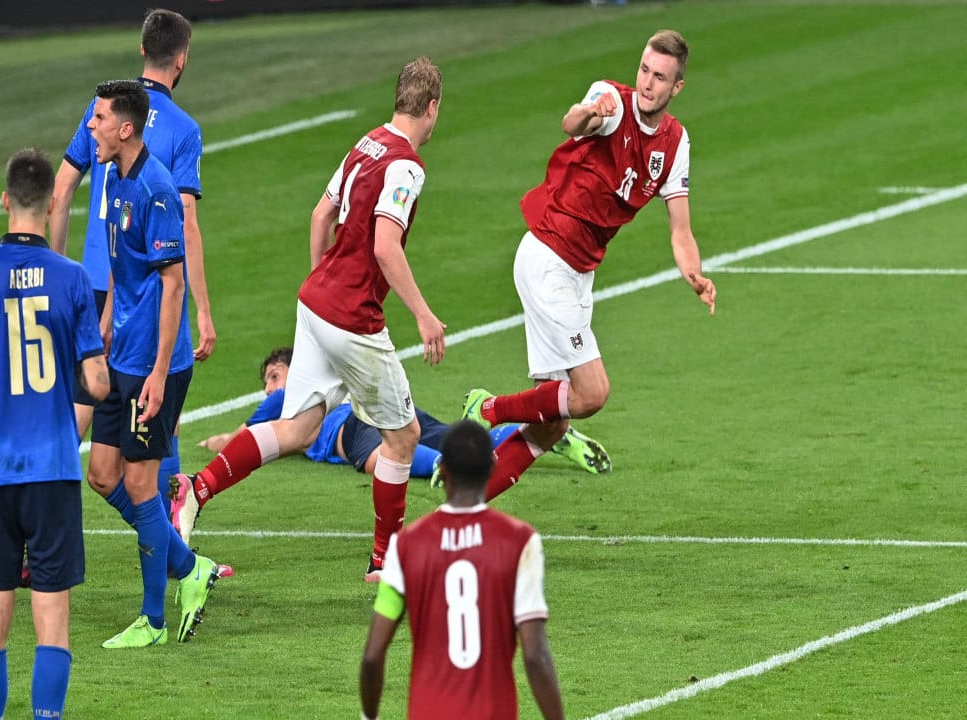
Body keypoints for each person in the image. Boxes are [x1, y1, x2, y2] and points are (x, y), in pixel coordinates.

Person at [171, 58, 447, 581]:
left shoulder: (366, 143)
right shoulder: (407, 167)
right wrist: (424, 315)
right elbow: (386, 246)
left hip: (316, 302)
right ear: (432, 108)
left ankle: (196, 489)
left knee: (298, 429)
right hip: (351, 318)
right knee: (404, 436)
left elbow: (321, 215)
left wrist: (324, 280)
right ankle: (384, 560)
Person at [461, 31, 716, 497]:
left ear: (677, 86)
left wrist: (694, 274)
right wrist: (589, 112)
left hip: (579, 274)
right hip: (548, 258)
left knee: (550, 427)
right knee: (593, 392)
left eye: (660, 77)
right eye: (644, 70)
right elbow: (571, 122)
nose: (647, 83)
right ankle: (488, 408)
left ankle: (460, 509)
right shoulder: (612, 104)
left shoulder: (675, 144)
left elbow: (680, 230)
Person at [0, 149, 108, 720]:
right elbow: (97, 383)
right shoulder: (73, 278)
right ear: (53, 203)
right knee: (52, 622)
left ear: (5, 200)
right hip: (53, 471)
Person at [51, 9, 216, 474]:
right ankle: (167, 510)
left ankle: (43, 495)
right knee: (158, 411)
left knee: (83, 403)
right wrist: (203, 308)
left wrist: (58, 269)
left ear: (143, 48)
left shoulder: (102, 110)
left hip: (92, 281)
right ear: (181, 59)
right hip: (143, 289)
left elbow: (61, 191)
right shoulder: (182, 129)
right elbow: (186, 221)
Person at [84, 80, 219, 648]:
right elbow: (123, 262)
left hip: (152, 366)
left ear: (126, 128)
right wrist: (107, 316)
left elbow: (173, 285)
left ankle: (153, 620)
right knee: (102, 474)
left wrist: (160, 373)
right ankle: (190, 565)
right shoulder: (113, 177)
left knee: (141, 484)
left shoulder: (157, 190)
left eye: (98, 119)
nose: (90, 127)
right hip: (122, 354)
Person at [359, 421, 564, 720]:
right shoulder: (519, 541)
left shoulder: (406, 546)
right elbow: (535, 655)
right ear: (492, 468)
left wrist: (369, 717)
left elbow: (373, 655)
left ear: (443, 472)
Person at [197, 347, 611, 489]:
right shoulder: (329, 380)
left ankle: (444, 465)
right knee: (460, 437)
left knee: (381, 460)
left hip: (353, 428)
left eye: (274, 376)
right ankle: (541, 430)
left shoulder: (288, 397)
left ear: (294, 368)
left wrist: (212, 442)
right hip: (394, 409)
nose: (270, 388)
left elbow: (244, 436)